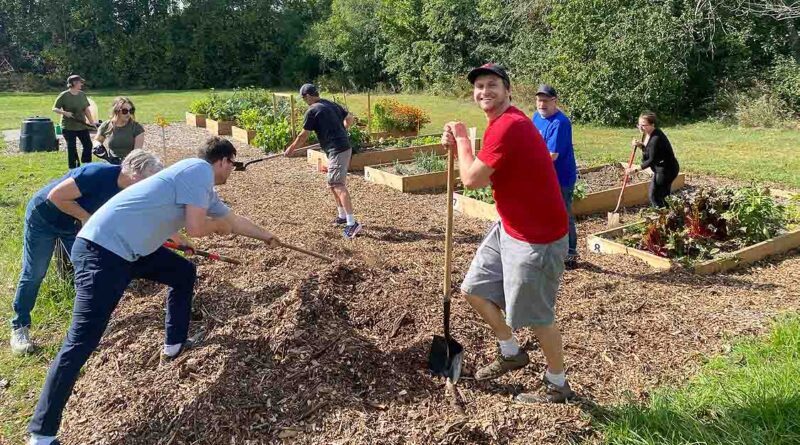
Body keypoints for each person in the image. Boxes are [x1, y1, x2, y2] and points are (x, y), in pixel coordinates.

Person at [27, 137, 280, 445]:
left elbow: (232, 219)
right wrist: (215, 229)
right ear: (224, 161)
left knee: (183, 272)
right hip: (101, 251)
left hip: (132, 250)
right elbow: (199, 228)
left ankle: (174, 344)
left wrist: (267, 237)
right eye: (232, 164)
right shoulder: (199, 170)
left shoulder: (201, 186)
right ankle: (42, 434)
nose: (231, 171)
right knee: (82, 340)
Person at [442, 63, 574, 404]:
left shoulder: (510, 126)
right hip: (510, 226)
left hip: (537, 238)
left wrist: (459, 138)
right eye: (479, 86)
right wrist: (460, 145)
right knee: (473, 290)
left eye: (492, 85)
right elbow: (479, 169)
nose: (484, 91)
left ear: (508, 91)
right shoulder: (501, 124)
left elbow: (472, 179)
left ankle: (557, 384)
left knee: (536, 316)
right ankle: (511, 350)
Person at [9, 150, 163, 355]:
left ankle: (91, 324)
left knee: (90, 273)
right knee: (34, 273)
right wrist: (86, 217)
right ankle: (20, 326)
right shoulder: (96, 174)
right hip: (43, 218)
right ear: (135, 173)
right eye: (149, 180)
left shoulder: (129, 192)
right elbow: (55, 196)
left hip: (72, 225)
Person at [284, 83, 362, 239]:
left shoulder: (312, 110)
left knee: (338, 184)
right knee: (332, 184)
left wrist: (291, 149)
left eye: (304, 98)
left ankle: (352, 223)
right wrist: (343, 128)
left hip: (338, 150)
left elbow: (303, 136)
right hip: (340, 148)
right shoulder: (330, 104)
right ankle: (342, 216)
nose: (304, 101)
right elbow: (349, 117)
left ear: (307, 96)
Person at [532, 84, 579, 269]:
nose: (541, 104)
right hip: (543, 177)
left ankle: (571, 253)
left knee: (564, 214)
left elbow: (552, 155)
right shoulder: (536, 117)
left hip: (561, 177)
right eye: (539, 100)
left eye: (545, 100)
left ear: (554, 101)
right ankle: (547, 248)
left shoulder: (560, 122)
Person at [629, 112, 679, 208]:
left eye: (643, 125)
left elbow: (652, 159)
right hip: (661, 168)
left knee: (655, 196)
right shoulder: (646, 134)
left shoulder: (656, 138)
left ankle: (663, 216)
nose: (640, 127)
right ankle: (668, 215)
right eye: (639, 125)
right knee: (663, 196)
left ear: (652, 125)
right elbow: (650, 151)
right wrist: (640, 145)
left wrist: (635, 170)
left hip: (667, 170)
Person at [52, 75, 96, 168]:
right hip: (68, 127)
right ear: (74, 83)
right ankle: (73, 167)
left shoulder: (82, 94)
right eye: (80, 82)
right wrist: (64, 113)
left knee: (88, 145)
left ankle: (86, 165)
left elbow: (86, 109)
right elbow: (54, 108)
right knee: (72, 148)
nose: (82, 84)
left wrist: (92, 122)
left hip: (81, 125)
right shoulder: (64, 95)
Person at [93, 97, 145, 164]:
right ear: (116, 111)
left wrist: (124, 163)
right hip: (110, 161)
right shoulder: (107, 125)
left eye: (131, 111)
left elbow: (136, 152)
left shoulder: (137, 127)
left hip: (129, 164)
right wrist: (97, 146)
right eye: (125, 111)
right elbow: (97, 140)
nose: (129, 114)